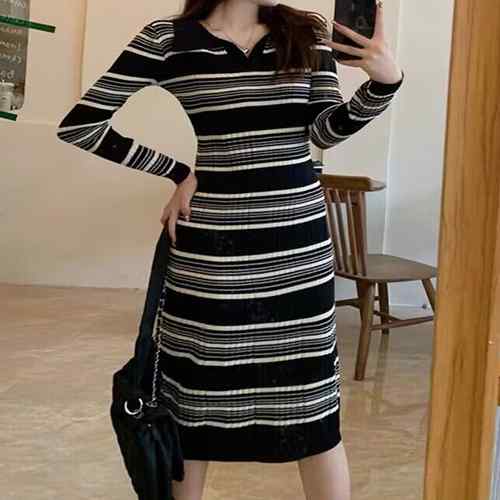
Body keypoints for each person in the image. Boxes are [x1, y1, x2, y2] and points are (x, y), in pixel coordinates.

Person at [56, 1, 403, 499]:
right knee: (192, 411)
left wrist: (382, 85)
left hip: (298, 254)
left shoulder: (306, 32)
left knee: (313, 413)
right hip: (211, 260)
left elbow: (322, 131)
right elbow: (81, 124)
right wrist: (178, 171)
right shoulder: (168, 40)